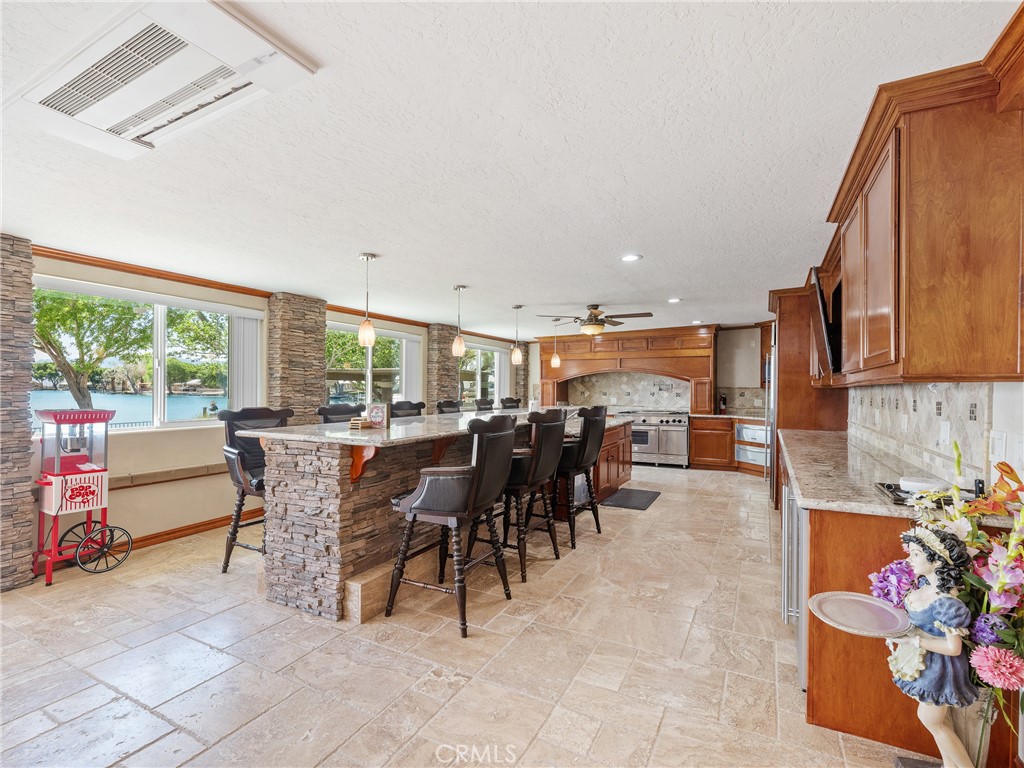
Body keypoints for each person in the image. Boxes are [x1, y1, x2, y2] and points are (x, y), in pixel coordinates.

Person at [887, 526, 978, 768]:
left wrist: (915, 641)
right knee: (939, 723)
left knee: (932, 721)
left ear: (937, 561)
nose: (909, 559)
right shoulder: (926, 590)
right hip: (927, 664)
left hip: (941, 670)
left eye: (916, 554)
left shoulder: (947, 602)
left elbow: (954, 648)